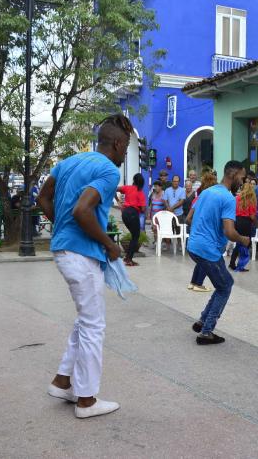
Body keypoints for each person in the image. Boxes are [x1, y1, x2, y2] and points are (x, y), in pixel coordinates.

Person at [37, 114, 133, 419]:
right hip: (81, 256)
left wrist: (62, 227)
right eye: (126, 147)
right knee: (94, 325)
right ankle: (87, 401)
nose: (125, 154)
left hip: (63, 250)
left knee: (85, 319)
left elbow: (42, 198)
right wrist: (109, 243)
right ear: (118, 144)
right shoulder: (107, 170)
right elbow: (82, 210)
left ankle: (63, 381)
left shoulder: (69, 162)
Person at [188, 160, 251, 345]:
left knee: (222, 283)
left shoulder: (207, 191)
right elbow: (229, 232)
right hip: (208, 250)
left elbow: (190, 218)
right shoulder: (228, 198)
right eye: (242, 176)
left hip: (194, 246)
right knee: (225, 286)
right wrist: (243, 240)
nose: (243, 180)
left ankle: (202, 322)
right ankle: (206, 332)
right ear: (233, 175)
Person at [186, 172, 217, 292]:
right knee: (206, 258)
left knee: (200, 260)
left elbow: (188, 218)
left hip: (195, 235)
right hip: (206, 236)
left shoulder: (197, 198)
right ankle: (198, 284)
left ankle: (193, 282)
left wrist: (197, 226)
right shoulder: (212, 199)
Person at [117, 173, 146, 266]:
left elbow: (113, 188)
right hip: (133, 213)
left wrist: (118, 202)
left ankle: (128, 258)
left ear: (134, 180)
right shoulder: (140, 193)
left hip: (125, 213)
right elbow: (143, 209)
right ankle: (128, 259)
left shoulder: (127, 188)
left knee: (134, 235)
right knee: (136, 236)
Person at [229, 183, 258, 271]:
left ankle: (232, 262)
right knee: (246, 243)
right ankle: (240, 265)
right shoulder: (251, 200)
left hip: (237, 221)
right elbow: (252, 216)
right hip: (246, 222)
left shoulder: (237, 198)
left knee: (239, 243)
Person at [148, 180, 166, 248]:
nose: (155, 188)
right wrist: (149, 215)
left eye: (157, 186)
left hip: (161, 216)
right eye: (154, 186)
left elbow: (166, 204)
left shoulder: (164, 193)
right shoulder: (153, 194)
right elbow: (150, 205)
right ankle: (156, 242)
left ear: (161, 187)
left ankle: (162, 242)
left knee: (161, 229)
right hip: (154, 215)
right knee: (154, 229)